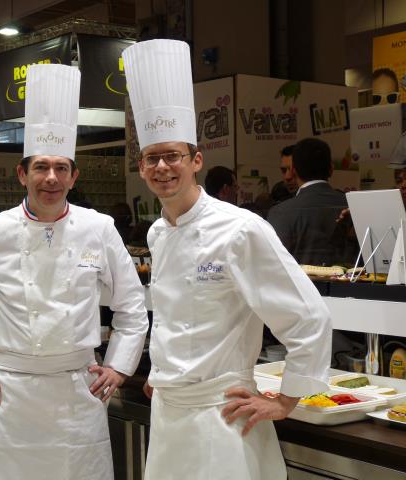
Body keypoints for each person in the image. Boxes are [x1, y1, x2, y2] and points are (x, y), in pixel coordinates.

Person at [123, 38, 332, 479]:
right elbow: (174, 313)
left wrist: (287, 399)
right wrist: (162, 371)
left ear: (196, 160)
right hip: (167, 412)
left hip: (223, 415)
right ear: (141, 168)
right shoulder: (159, 233)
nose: (162, 168)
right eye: (151, 159)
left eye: (173, 156)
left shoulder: (241, 228)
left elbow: (309, 315)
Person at [0, 63, 148, 480]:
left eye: (61, 168)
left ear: (73, 175)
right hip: (9, 392)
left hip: (78, 391)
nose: (51, 178)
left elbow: (131, 306)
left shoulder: (98, 227)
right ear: (22, 173)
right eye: (41, 167)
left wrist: (120, 366)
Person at [268, 137, 355, 266]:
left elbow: (273, 264)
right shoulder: (354, 207)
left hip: (299, 285)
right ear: (331, 169)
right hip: (351, 285)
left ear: (294, 170)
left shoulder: (280, 212)